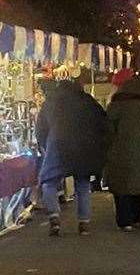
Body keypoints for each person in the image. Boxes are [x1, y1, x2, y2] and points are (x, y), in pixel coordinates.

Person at [37, 70, 110, 237]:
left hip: (57, 143)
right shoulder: (87, 100)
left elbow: (41, 128)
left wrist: (45, 145)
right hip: (83, 145)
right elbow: (102, 122)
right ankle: (84, 222)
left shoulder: (51, 101)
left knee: (48, 181)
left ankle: (54, 217)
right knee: (83, 183)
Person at [104, 69, 140, 231]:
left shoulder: (114, 106)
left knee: (121, 187)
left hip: (117, 151)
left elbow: (107, 129)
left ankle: (124, 220)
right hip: (139, 152)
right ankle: (135, 217)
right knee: (136, 184)